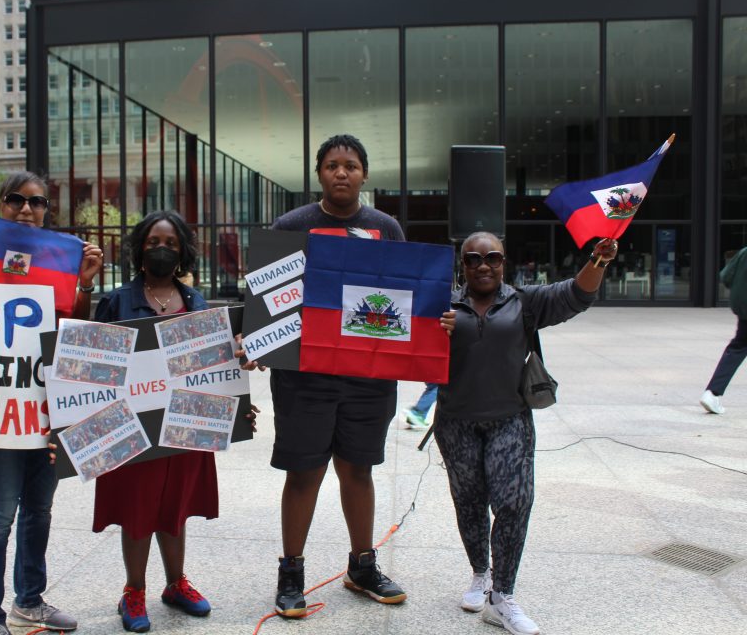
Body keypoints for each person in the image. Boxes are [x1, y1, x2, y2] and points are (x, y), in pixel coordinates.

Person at [250, 134, 455, 617]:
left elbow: (411, 294)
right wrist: (260, 340)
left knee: (358, 469)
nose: (341, 173)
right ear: (319, 173)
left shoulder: (386, 227)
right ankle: (291, 573)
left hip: (369, 377)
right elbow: (268, 295)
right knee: (304, 473)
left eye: (351, 165)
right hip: (305, 376)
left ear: (364, 174)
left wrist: (438, 325)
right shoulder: (291, 226)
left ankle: (362, 567)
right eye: (332, 165)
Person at [0, 171, 104, 635]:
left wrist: (85, 282)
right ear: (0, 205)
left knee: (39, 509)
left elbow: (73, 336)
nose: (27, 210)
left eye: (37, 202)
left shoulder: (57, 264)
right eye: (16, 201)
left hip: (46, 409)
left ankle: (29, 602)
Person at [435, 231, 617, 635]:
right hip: (455, 422)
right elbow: (402, 341)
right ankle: (480, 572)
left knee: (515, 502)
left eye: (492, 258)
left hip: (509, 419)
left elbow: (576, 295)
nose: (483, 265)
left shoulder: (526, 302)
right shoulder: (441, 303)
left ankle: (501, 596)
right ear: (461, 265)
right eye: (473, 259)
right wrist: (434, 328)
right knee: (468, 502)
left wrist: (599, 261)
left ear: (505, 262)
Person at [93, 210, 255, 633]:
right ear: (138, 250)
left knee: (176, 506)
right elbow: (92, 368)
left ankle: (175, 584)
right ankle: (133, 590)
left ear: (182, 250)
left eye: (169, 242)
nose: (161, 249)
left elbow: (215, 365)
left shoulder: (197, 302)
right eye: (152, 242)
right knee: (137, 508)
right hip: (133, 426)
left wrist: (234, 402)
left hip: (185, 423)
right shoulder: (115, 301)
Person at [700, 246, 747, 414]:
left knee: (737, 348)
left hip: (743, 309)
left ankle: (713, 392)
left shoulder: (744, 252)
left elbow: (726, 276)